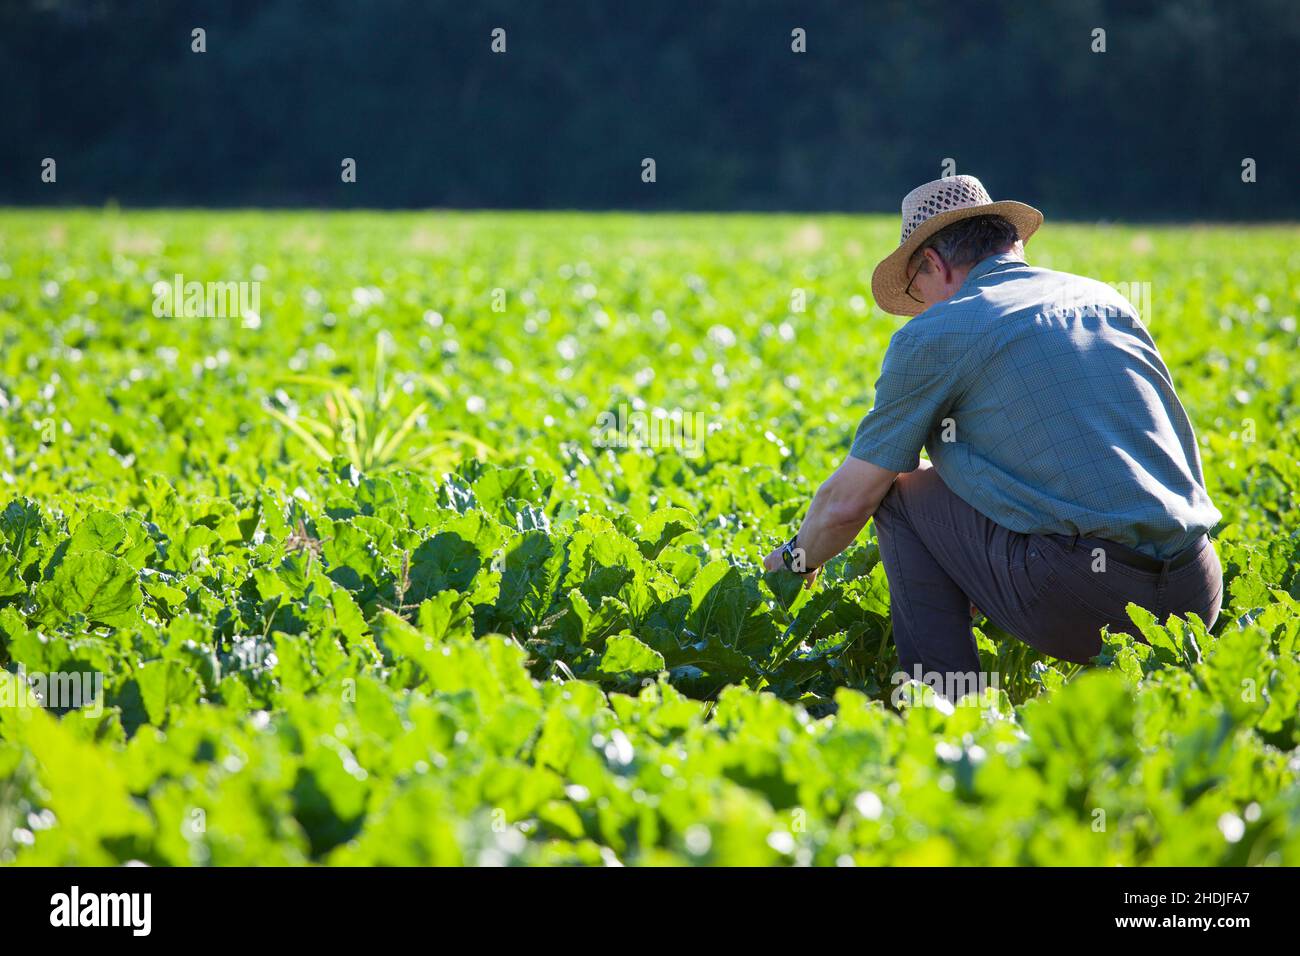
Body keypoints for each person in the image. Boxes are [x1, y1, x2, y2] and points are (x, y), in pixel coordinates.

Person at [763, 175, 1223, 690]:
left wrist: (796, 558)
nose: (922, 308)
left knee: (899, 490)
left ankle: (942, 704)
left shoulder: (941, 332)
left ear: (934, 265)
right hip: (1195, 593)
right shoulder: (1106, 300)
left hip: (1088, 601)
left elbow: (849, 503)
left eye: (917, 292)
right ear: (1013, 244)